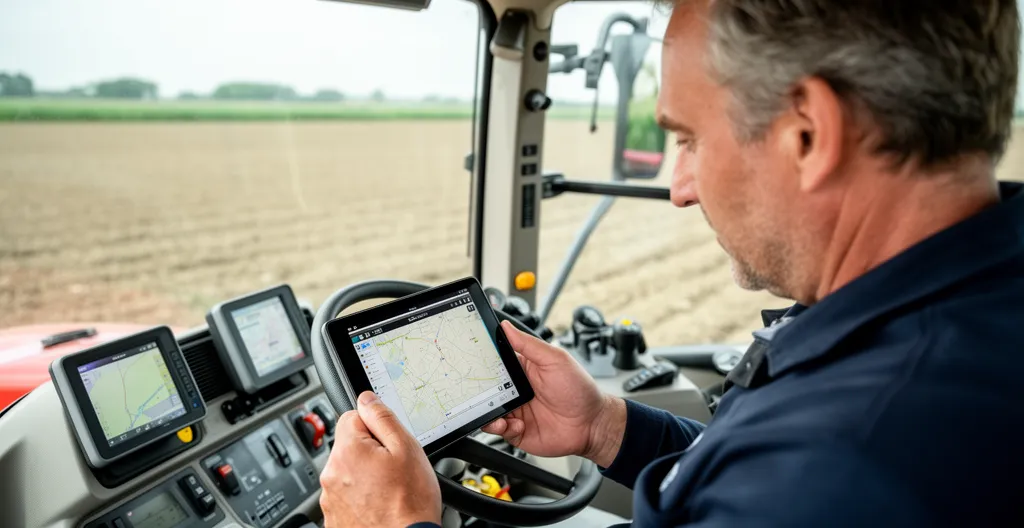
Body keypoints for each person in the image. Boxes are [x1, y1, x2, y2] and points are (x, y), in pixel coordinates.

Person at [319, 0, 1024, 526]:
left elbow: (790, 483)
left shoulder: (846, 466)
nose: (680, 189)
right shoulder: (966, 314)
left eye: (688, 139)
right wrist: (604, 428)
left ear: (808, 133)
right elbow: (746, 468)